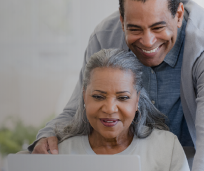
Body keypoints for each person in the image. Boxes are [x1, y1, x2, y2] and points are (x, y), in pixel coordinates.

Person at [29, 0, 204, 171]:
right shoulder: (104, 37)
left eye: (158, 27)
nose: (147, 42)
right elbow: (79, 106)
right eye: (134, 29)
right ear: (122, 19)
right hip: (164, 131)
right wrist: (48, 134)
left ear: (178, 15)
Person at [55, 48, 189, 171]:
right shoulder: (61, 151)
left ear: (137, 100)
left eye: (123, 97)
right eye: (98, 96)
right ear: (84, 96)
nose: (109, 109)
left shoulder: (166, 147)